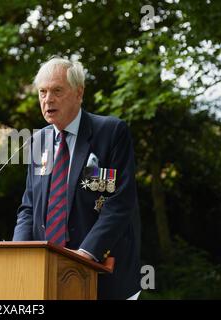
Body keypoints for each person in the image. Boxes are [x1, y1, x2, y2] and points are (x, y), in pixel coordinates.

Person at [13, 57, 141, 300]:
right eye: (42, 92)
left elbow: (119, 202)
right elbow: (29, 207)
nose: (47, 99)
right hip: (46, 277)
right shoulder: (38, 141)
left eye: (57, 91)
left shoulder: (111, 132)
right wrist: (18, 253)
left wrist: (85, 254)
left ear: (79, 93)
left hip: (104, 277)